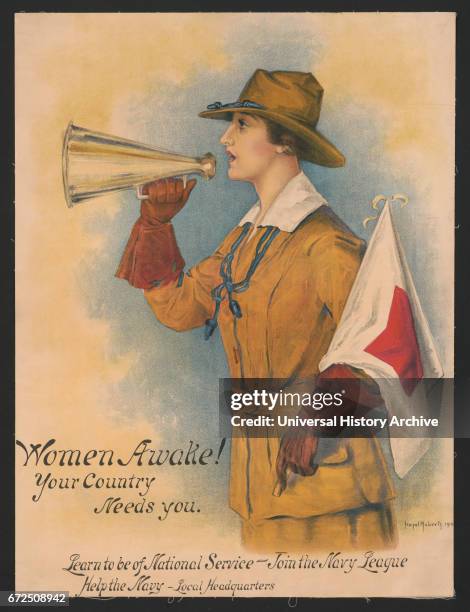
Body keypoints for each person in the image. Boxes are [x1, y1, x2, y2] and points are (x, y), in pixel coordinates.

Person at [116, 69, 397, 551]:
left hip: (333, 500)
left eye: (243, 124)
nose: (226, 138)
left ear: (285, 143)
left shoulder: (328, 244)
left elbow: (390, 353)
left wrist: (320, 413)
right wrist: (156, 225)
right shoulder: (245, 240)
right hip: (261, 497)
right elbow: (182, 308)